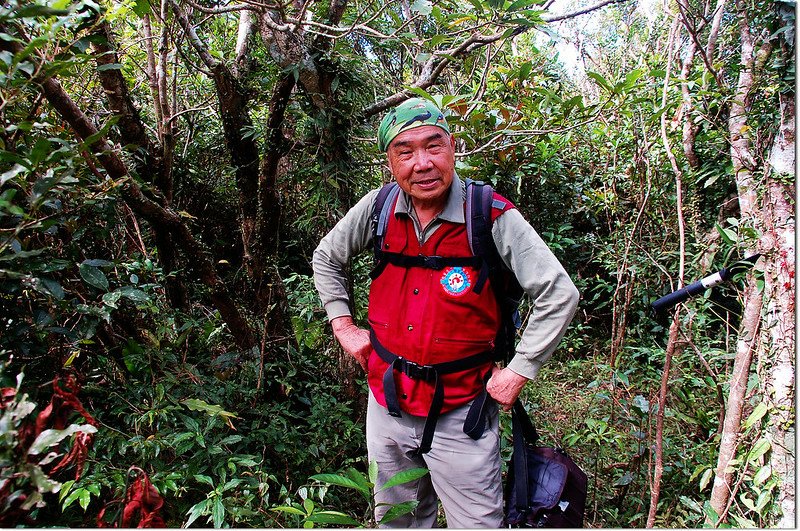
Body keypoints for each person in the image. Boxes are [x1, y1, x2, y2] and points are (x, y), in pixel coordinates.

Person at [312, 97, 579, 528]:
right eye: (406, 151)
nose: (422, 163)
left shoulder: (489, 214)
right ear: (390, 162)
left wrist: (520, 370)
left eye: (433, 146)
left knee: (476, 523)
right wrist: (342, 323)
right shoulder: (379, 209)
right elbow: (327, 256)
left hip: (463, 411)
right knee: (396, 520)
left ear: (452, 148)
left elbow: (558, 292)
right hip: (388, 404)